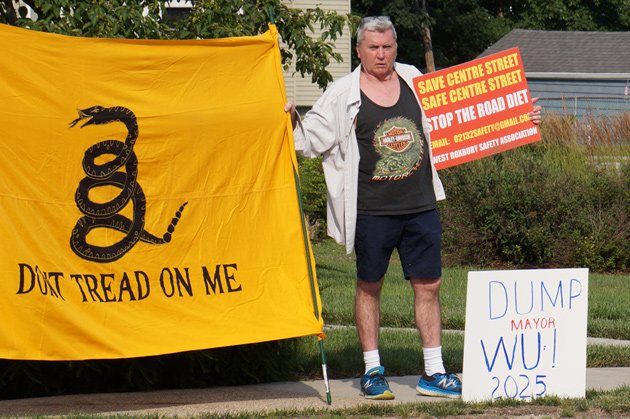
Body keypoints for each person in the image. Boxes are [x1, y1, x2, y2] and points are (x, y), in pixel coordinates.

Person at [285, 16, 542, 400]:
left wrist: (517, 117)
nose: (381, 54)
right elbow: (306, 140)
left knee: (430, 286)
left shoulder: (416, 82)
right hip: (371, 210)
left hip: (420, 206)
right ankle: (372, 370)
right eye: (373, 47)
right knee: (369, 287)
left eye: (387, 47)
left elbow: (465, 118)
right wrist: (285, 119)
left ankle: (434, 372)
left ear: (395, 48)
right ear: (359, 50)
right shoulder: (343, 94)